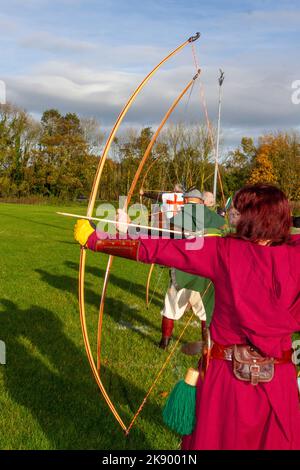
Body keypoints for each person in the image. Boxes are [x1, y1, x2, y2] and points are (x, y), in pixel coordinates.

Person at [75, 184, 300, 450]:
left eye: (239, 212)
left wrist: (96, 239)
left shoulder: (222, 251)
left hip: (227, 380)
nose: (232, 216)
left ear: (254, 218)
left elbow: (158, 249)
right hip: (279, 382)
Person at [158, 188, 225, 349]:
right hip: (206, 274)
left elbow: (171, 241)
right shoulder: (218, 220)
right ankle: (207, 346)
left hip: (183, 271)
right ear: (201, 202)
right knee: (204, 313)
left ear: (186, 201)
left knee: (171, 308)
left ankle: (164, 343)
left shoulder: (179, 218)